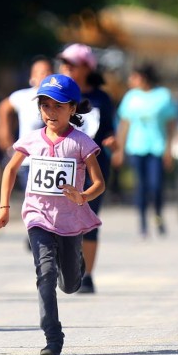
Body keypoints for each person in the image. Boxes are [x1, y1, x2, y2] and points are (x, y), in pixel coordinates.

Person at [0, 74, 105, 355]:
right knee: (45, 273)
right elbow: (9, 169)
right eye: (45, 105)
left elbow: (99, 183)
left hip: (69, 221)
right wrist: (4, 206)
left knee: (68, 284)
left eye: (58, 106)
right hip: (37, 217)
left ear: (72, 109)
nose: (50, 112)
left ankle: (77, 263)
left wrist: (83, 196)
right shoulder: (31, 140)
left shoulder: (81, 143)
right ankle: (52, 335)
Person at [58, 43, 116, 294]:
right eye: (64, 63)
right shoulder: (59, 94)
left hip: (94, 168)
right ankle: (65, 269)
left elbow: (109, 130)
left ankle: (88, 275)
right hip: (63, 167)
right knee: (60, 220)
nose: (67, 68)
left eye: (72, 64)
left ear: (86, 67)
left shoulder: (102, 98)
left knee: (88, 221)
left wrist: (113, 141)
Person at [112, 64, 177, 238]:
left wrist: (170, 150)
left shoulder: (163, 96)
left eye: (134, 77)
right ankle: (142, 223)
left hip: (157, 148)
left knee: (155, 186)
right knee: (140, 186)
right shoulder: (131, 97)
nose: (130, 80)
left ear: (144, 77)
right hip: (136, 147)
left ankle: (157, 214)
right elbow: (124, 125)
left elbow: (171, 125)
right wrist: (119, 150)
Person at [0, 55, 54, 190]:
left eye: (48, 72)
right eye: (41, 73)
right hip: (29, 161)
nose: (45, 76)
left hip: (53, 161)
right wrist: (4, 134)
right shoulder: (24, 96)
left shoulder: (58, 99)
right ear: (32, 77)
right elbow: (4, 107)